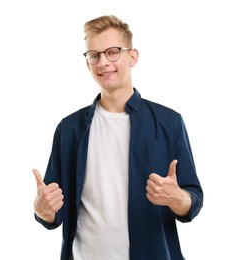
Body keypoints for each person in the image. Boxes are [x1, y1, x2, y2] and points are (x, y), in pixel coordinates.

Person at [33, 14, 203, 260]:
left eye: (112, 52)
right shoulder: (68, 129)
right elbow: (53, 211)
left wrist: (179, 199)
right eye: (94, 55)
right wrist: (42, 209)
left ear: (132, 57)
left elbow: (193, 199)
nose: (103, 62)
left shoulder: (169, 122)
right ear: (88, 63)